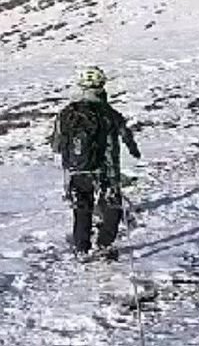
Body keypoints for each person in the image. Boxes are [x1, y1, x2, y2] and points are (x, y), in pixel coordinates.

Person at [49, 65, 141, 257]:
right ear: (102, 85)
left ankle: (81, 248)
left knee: (82, 208)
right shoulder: (109, 113)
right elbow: (126, 137)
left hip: (76, 169)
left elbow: (56, 145)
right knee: (112, 206)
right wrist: (134, 151)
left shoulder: (66, 113)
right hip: (106, 170)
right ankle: (104, 243)